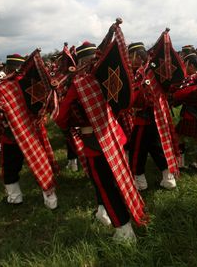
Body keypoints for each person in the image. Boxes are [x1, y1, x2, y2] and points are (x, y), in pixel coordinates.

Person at [55, 41, 146, 240]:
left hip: (95, 144)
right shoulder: (106, 76)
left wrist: (71, 124)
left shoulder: (77, 85)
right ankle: (103, 212)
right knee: (116, 180)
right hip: (115, 136)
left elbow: (60, 118)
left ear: (79, 61)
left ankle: (123, 230)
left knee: (106, 186)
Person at [0, 53, 59, 209]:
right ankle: (51, 201)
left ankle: (15, 198)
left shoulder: (0, 89)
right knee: (41, 165)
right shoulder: (35, 84)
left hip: (12, 137)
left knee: (10, 169)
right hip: (35, 133)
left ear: (7, 68)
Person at [126, 42, 179, 191]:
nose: (130, 60)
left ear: (137, 56)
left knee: (137, 149)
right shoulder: (151, 69)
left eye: (131, 56)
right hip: (158, 116)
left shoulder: (143, 72)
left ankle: (140, 181)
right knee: (156, 145)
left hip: (144, 117)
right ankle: (168, 177)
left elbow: (140, 98)